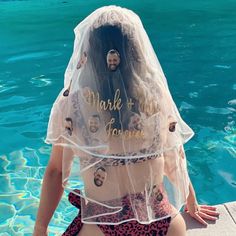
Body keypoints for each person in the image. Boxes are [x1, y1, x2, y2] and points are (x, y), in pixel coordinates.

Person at [33, 5, 219, 236]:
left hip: (103, 226)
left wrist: (40, 227)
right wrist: (191, 201)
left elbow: (56, 172)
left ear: (89, 52)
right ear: (137, 52)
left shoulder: (72, 102)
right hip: (164, 223)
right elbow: (174, 158)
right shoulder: (154, 98)